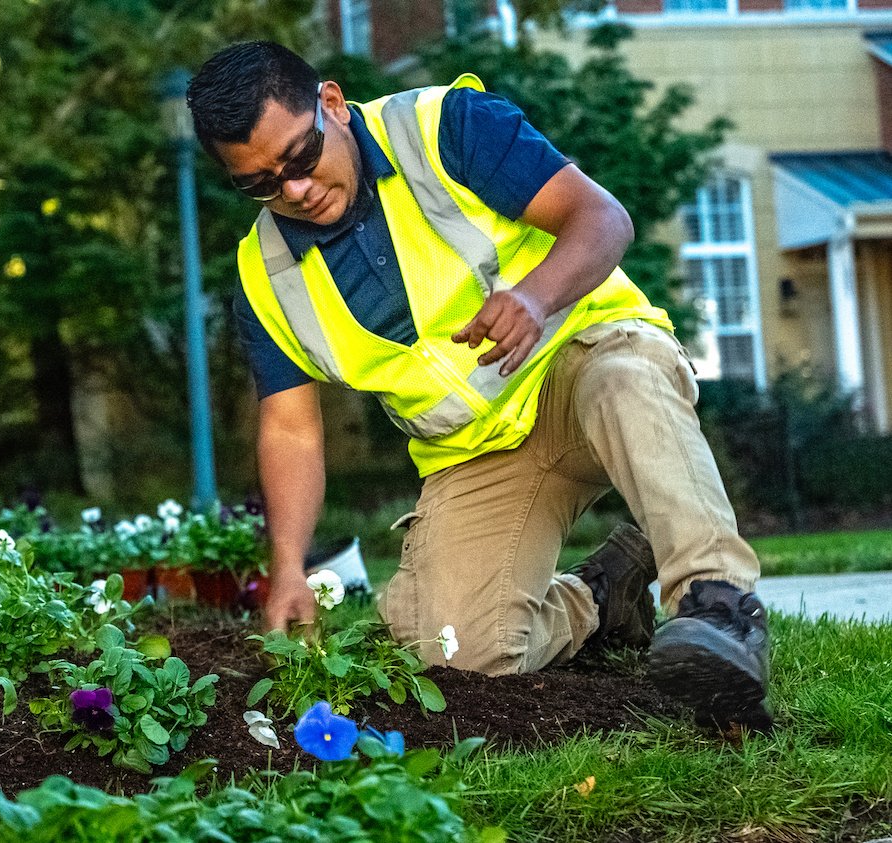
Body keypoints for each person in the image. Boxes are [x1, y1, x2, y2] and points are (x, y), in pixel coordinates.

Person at [186, 40, 771, 729]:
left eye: (301, 158)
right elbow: (291, 427)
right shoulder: (264, 277)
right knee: (450, 649)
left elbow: (603, 219)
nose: (294, 190)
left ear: (333, 105)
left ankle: (720, 610)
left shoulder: (445, 128)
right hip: (477, 450)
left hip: (580, 364)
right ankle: (601, 594)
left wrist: (535, 297)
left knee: (625, 379)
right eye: (260, 184)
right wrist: (286, 567)